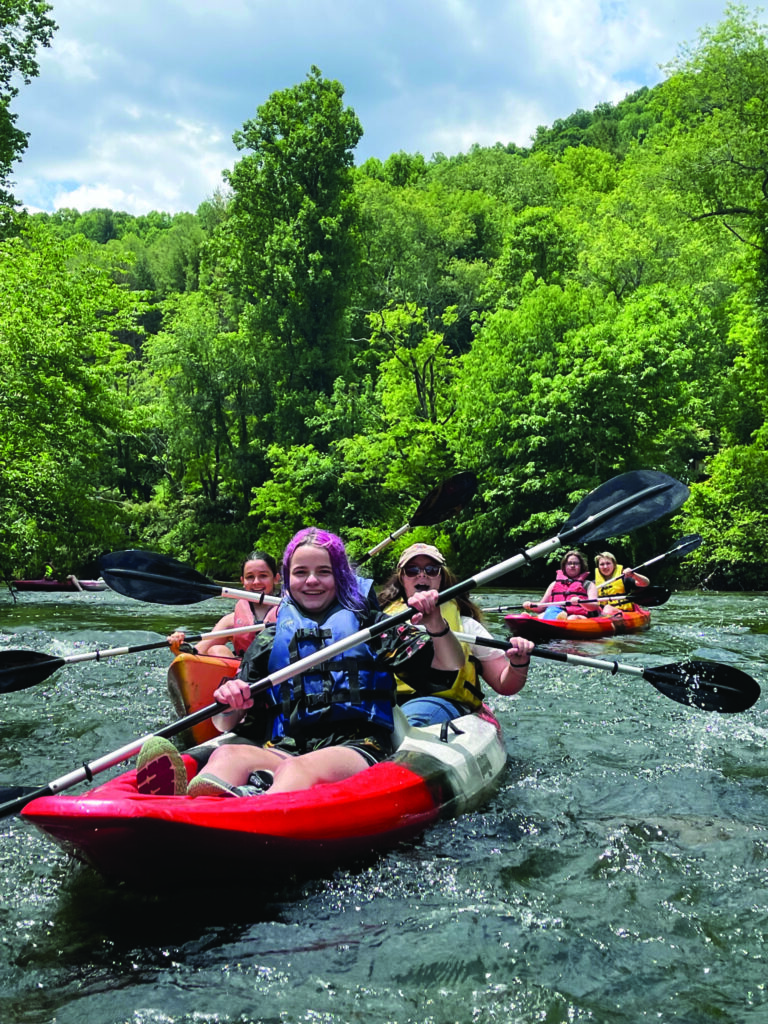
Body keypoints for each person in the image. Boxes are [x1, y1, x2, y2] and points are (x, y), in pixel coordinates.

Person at [137, 527, 465, 798]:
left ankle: (250, 805)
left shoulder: (370, 626)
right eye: (301, 572)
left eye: (324, 572)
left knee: (297, 770)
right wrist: (230, 700)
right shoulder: (269, 640)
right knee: (227, 754)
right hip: (288, 746)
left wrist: (435, 623)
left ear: (339, 577)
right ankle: (189, 807)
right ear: (287, 579)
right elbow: (228, 725)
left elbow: (445, 673)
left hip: (356, 746)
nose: (311, 581)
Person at [377, 542, 534, 727]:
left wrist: (519, 663)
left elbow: (505, 685)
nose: (422, 574)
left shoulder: (466, 626)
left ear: (441, 577)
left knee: (416, 718)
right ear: (402, 578)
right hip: (387, 703)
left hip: (441, 704)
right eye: (412, 570)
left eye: (431, 569)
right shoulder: (380, 620)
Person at [167, 551, 281, 659]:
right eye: (250, 577)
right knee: (217, 650)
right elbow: (196, 654)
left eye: (263, 575)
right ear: (242, 581)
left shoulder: (290, 614)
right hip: (243, 675)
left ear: (276, 579)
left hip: (282, 672)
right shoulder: (231, 621)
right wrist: (179, 646)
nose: (256, 582)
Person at [522, 549, 599, 620]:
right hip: (555, 613)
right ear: (564, 566)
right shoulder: (554, 584)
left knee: (572, 618)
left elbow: (594, 606)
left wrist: (580, 601)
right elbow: (541, 607)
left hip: (579, 616)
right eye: (569, 563)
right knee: (541, 615)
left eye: (576, 563)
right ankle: (529, 620)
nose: (572, 566)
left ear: (581, 566)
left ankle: (560, 620)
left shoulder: (588, 584)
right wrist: (530, 605)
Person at [593, 551, 649, 618]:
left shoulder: (624, 578)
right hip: (602, 614)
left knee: (608, 608)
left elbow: (645, 583)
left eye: (608, 563)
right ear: (598, 567)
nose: (605, 566)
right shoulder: (594, 584)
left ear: (614, 564)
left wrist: (633, 575)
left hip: (625, 613)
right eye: (602, 564)